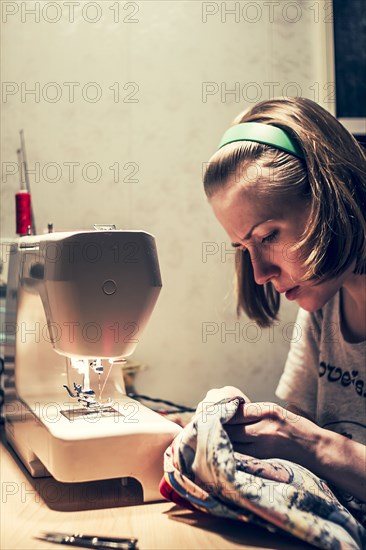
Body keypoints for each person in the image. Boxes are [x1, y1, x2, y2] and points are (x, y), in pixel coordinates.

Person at [202, 97, 366, 525]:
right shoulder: (324, 304)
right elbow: (302, 449)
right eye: (244, 248)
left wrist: (310, 443)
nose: (258, 273)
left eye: (268, 235)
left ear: (332, 197)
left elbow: (308, 442)